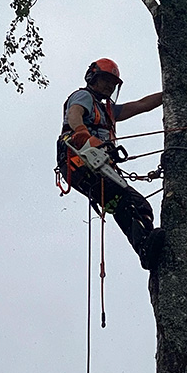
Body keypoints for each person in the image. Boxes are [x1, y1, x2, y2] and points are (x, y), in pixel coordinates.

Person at [57, 58, 165, 271]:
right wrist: (82, 135)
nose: (109, 86)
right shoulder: (83, 96)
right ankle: (144, 247)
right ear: (93, 78)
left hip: (97, 165)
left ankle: (148, 245)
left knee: (136, 204)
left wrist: (168, 94)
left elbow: (141, 105)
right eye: (105, 80)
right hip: (78, 159)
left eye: (113, 83)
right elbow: (75, 113)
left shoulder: (108, 111)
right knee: (128, 200)